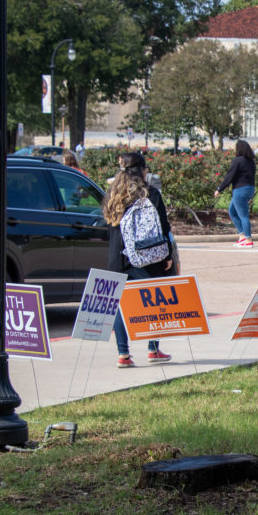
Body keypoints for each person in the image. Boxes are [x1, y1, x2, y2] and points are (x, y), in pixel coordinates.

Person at [105, 152, 173, 369]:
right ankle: (153, 349)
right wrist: (168, 255)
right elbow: (162, 227)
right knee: (154, 302)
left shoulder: (113, 195)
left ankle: (123, 354)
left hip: (118, 258)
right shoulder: (150, 194)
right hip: (145, 257)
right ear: (142, 171)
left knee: (119, 306)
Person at [214, 140, 257, 248]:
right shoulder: (251, 162)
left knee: (243, 216)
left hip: (240, 189)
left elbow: (230, 176)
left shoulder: (238, 161)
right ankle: (242, 236)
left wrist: (220, 189)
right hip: (250, 188)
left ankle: (248, 239)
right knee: (232, 211)